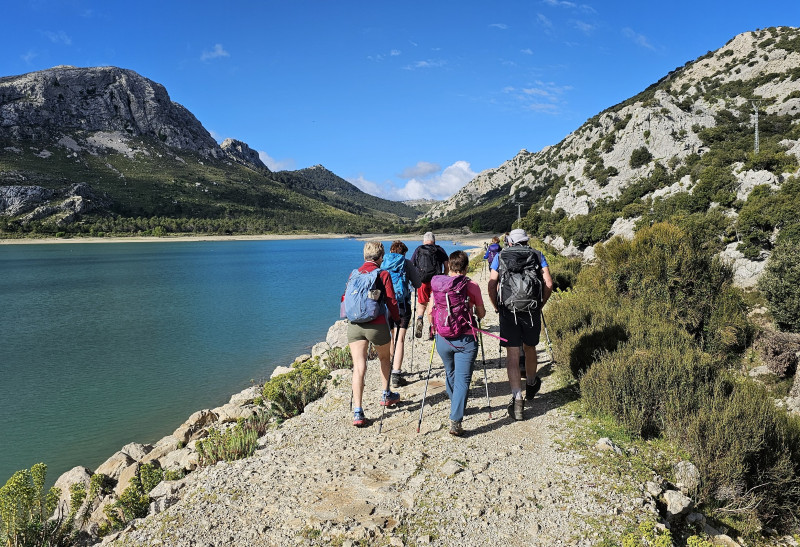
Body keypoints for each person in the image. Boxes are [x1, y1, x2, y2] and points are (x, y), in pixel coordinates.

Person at [487, 228, 553, 421]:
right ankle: (531, 382)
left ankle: (517, 398)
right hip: (532, 310)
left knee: (513, 354)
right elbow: (548, 282)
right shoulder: (537, 255)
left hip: (508, 310)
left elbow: (492, 284)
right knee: (530, 347)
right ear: (525, 241)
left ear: (509, 242)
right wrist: (540, 304)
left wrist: (496, 306)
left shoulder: (500, 256)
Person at [342, 241, 402, 427]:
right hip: (376, 325)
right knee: (385, 358)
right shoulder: (382, 274)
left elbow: (345, 298)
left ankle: (358, 411)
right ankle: (386, 394)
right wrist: (397, 319)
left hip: (354, 325)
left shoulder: (354, 273)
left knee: (359, 366)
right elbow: (391, 300)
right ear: (381, 257)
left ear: (365, 256)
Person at [428, 250, 486, 436]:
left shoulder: (438, 285)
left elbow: (431, 313)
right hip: (465, 339)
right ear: (466, 267)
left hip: (443, 339)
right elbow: (482, 313)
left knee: (450, 372)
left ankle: (457, 405)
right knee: (463, 380)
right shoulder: (472, 285)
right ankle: (455, 419)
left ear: (449, 266)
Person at [380, 240, 422, 388]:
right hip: (402, 305)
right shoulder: (406, 263)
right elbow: (417, 284)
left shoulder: (383, 262)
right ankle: (397, 375)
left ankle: (391, 367)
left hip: (386, 305)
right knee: (401, 339)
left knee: (392, 336)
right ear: (404, 252)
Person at [410, 232, 449, 339]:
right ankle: (432, 329)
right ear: (434, 240)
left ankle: (419, 318)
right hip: (436, 281)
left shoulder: (418, 249)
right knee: (433, 305)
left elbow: (412, 265)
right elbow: (446, 266)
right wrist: (444, 277)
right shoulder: (439, 250)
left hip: (421, 281)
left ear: (424, 240)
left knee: (422, 303)